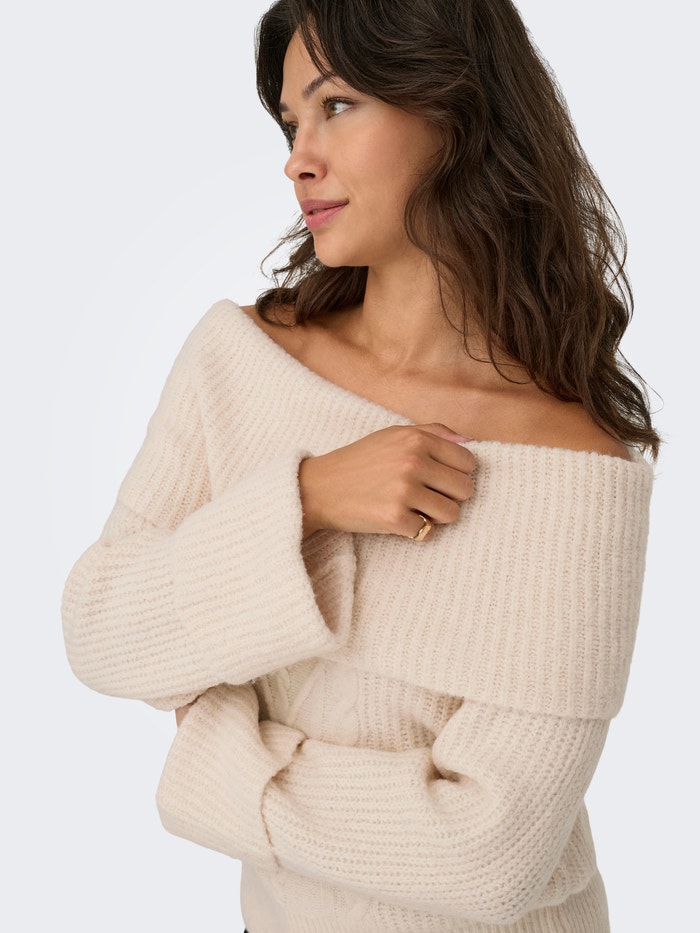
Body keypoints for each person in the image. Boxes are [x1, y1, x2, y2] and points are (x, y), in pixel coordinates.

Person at [62, 0, 659, 930]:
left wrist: (219, 760)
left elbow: (491, 855)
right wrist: (305, 499)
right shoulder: (239, 363)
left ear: (457, 110)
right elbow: (102, 629)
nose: (298, 158)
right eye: (291, 120)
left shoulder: (576, 467)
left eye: (336, 105)